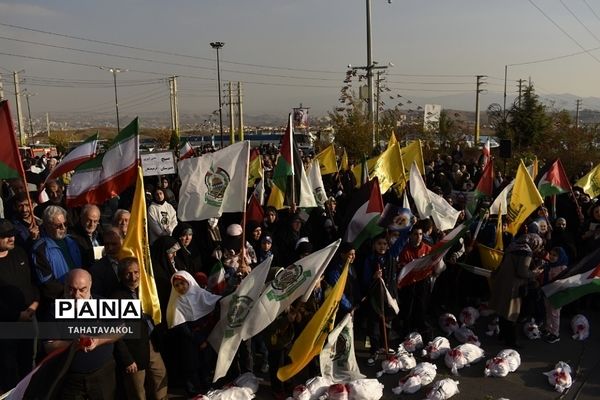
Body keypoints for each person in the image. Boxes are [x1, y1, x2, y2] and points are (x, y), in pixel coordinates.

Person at [44, 269, 120, 399]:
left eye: (82, 290)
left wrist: (98, 341)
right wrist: (73, 344)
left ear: (90, 286)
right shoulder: (54, 310)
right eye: (71, 289)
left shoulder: (103, 304)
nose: (76, 295)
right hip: (71, 380)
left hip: (103, 375)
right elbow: (48, 346)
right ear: (65, 286)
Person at [112, 257, 168, 400]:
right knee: (137, 391)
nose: (133, 277)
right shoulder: (117, 298)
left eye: (136, 272)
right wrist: (127, 360)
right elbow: (115, 334)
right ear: (121, 275)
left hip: (150, 344)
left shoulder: (146, 290)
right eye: (128, 273)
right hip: (133, 352)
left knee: (160, 375)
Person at [166, 271, 221, 396]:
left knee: (206, 363)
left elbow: (216, 301)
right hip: (189, 339)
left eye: (182, 283)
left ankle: (207, 388)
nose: (180, 287)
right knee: (191, 366)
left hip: (206, 335)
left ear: (189, 281)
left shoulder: (200, 294)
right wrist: (199, 340)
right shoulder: (176, 303)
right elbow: (181, 326)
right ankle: (194, 392)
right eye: (177, 285)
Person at [0, 219, 39, 392]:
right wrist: (16, 316)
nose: (11, 239)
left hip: (28, 321)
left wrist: (35, 302)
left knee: (27, 363)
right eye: (6, 236)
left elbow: (31, 282)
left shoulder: (20, 253)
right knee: (7, 369)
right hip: (6, 328)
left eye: (13, 235)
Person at [489, 233, 544, 347]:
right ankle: (511, 341)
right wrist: (535, 273)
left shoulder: (513, 246)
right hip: (513, 286)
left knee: (502, 311)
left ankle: (502, 335)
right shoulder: (526, 252)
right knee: (511, 314)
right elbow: (522, 272)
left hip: (502, 282)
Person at [32, 205, 83, 314]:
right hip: (58, 303)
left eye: (65, 224)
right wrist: (70, 296)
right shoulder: (40, 249)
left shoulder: (73, 241)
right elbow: (47, 283)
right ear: (47, 225)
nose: (63, 228)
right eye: (58, 225)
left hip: (81, 297)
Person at [541, 247, 569, 344]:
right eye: (551, 254)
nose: (552, 257)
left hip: (557, 294)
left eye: (555, 255)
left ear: (560, 257)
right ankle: (548, 328)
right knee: (548, 311)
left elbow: (565, 283)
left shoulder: (563, 268)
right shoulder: (549, 265)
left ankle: (555, 334)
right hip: (548, 292)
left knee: (555, 314)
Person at [89, 228, 122, 298]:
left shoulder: (134, 262)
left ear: (123, 241)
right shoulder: (97, 269)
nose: (110, 248)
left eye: (114, 244)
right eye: (106, 244)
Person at [71, 204, 104, 269]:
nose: (92, 224)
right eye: (89, 220)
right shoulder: (73, 237)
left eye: (95, 221)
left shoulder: (101, 234)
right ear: (81, 217)